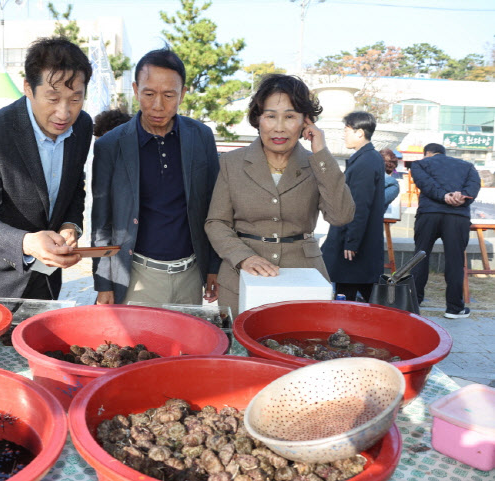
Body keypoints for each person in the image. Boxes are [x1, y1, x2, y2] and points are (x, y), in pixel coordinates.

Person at [0, 37, 92, 300]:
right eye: (52, 98)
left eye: (75, 99)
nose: (64, 113)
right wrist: (28, 242)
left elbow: (74, 186)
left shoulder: (83, 126)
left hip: (45, 281)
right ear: (28, 88)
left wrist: (70, 226)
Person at [205, 74, 354, 317]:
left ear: (306, 122)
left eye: (290, 116)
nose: (279, 127)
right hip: (241, 277)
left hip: (304, 279)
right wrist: (244, 257)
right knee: (241, 352)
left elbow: (341, 216)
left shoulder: (317, 163)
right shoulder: (232, 162)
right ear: (258, 119)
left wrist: (321, 153)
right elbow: (216, 222)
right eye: (271, 116)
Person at [92, 48, 221, 306]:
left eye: (169, 95)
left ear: (183, 93)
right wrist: (104, 284)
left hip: (190, 275)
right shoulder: (110, 145)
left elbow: (213, 207)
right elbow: (102, 221)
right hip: (136, 275)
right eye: (148, 94)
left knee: (188, 347)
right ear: (135, 89)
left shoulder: (201, 137)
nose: (158, 105)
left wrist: (213, 267)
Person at [409, 143, 481, 318]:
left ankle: (412, 304)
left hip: (429, 214)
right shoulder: (468, 166)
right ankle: (454, 308)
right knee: (455, 261)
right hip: (457, 217)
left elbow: (425, 183)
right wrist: (460, 197)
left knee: (420, 257)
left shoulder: (419, 164)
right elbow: (474, 186)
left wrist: (443, 196)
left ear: (427, 153)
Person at [322, 112, 385, 302]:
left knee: (348, 295)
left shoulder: (366, 161)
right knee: (363, 294)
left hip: (353, 245)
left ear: (360, 133)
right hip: (359, 243)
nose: (344, 135)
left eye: (347, 130)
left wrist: (351, 241)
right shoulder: (368, 158)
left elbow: (359, 204)